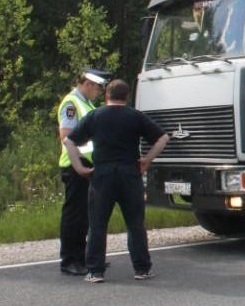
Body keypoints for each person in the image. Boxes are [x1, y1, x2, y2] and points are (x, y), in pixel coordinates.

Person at [64, 79, 169, 284]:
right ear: (126, 96)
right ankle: (142, 268)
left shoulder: (95, 116)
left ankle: (95, 271)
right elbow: (163, 137)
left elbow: (69, 141)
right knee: (135, 223)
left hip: (102, 175)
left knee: (98, 224)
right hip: (130, 174)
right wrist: (147, 160)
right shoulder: (135, 116)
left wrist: (79, 168)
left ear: (106, 96)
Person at [57, 68, 109, 276]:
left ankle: (84, 258)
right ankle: (70, 260)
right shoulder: (71, 103)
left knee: (86, 216)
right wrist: (81, 161)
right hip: (75, 165)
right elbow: (66, 135)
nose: (98, 92)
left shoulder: (87, 104)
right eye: (97, 88)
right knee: (75, 216)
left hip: (87, 165)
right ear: (88, 84)